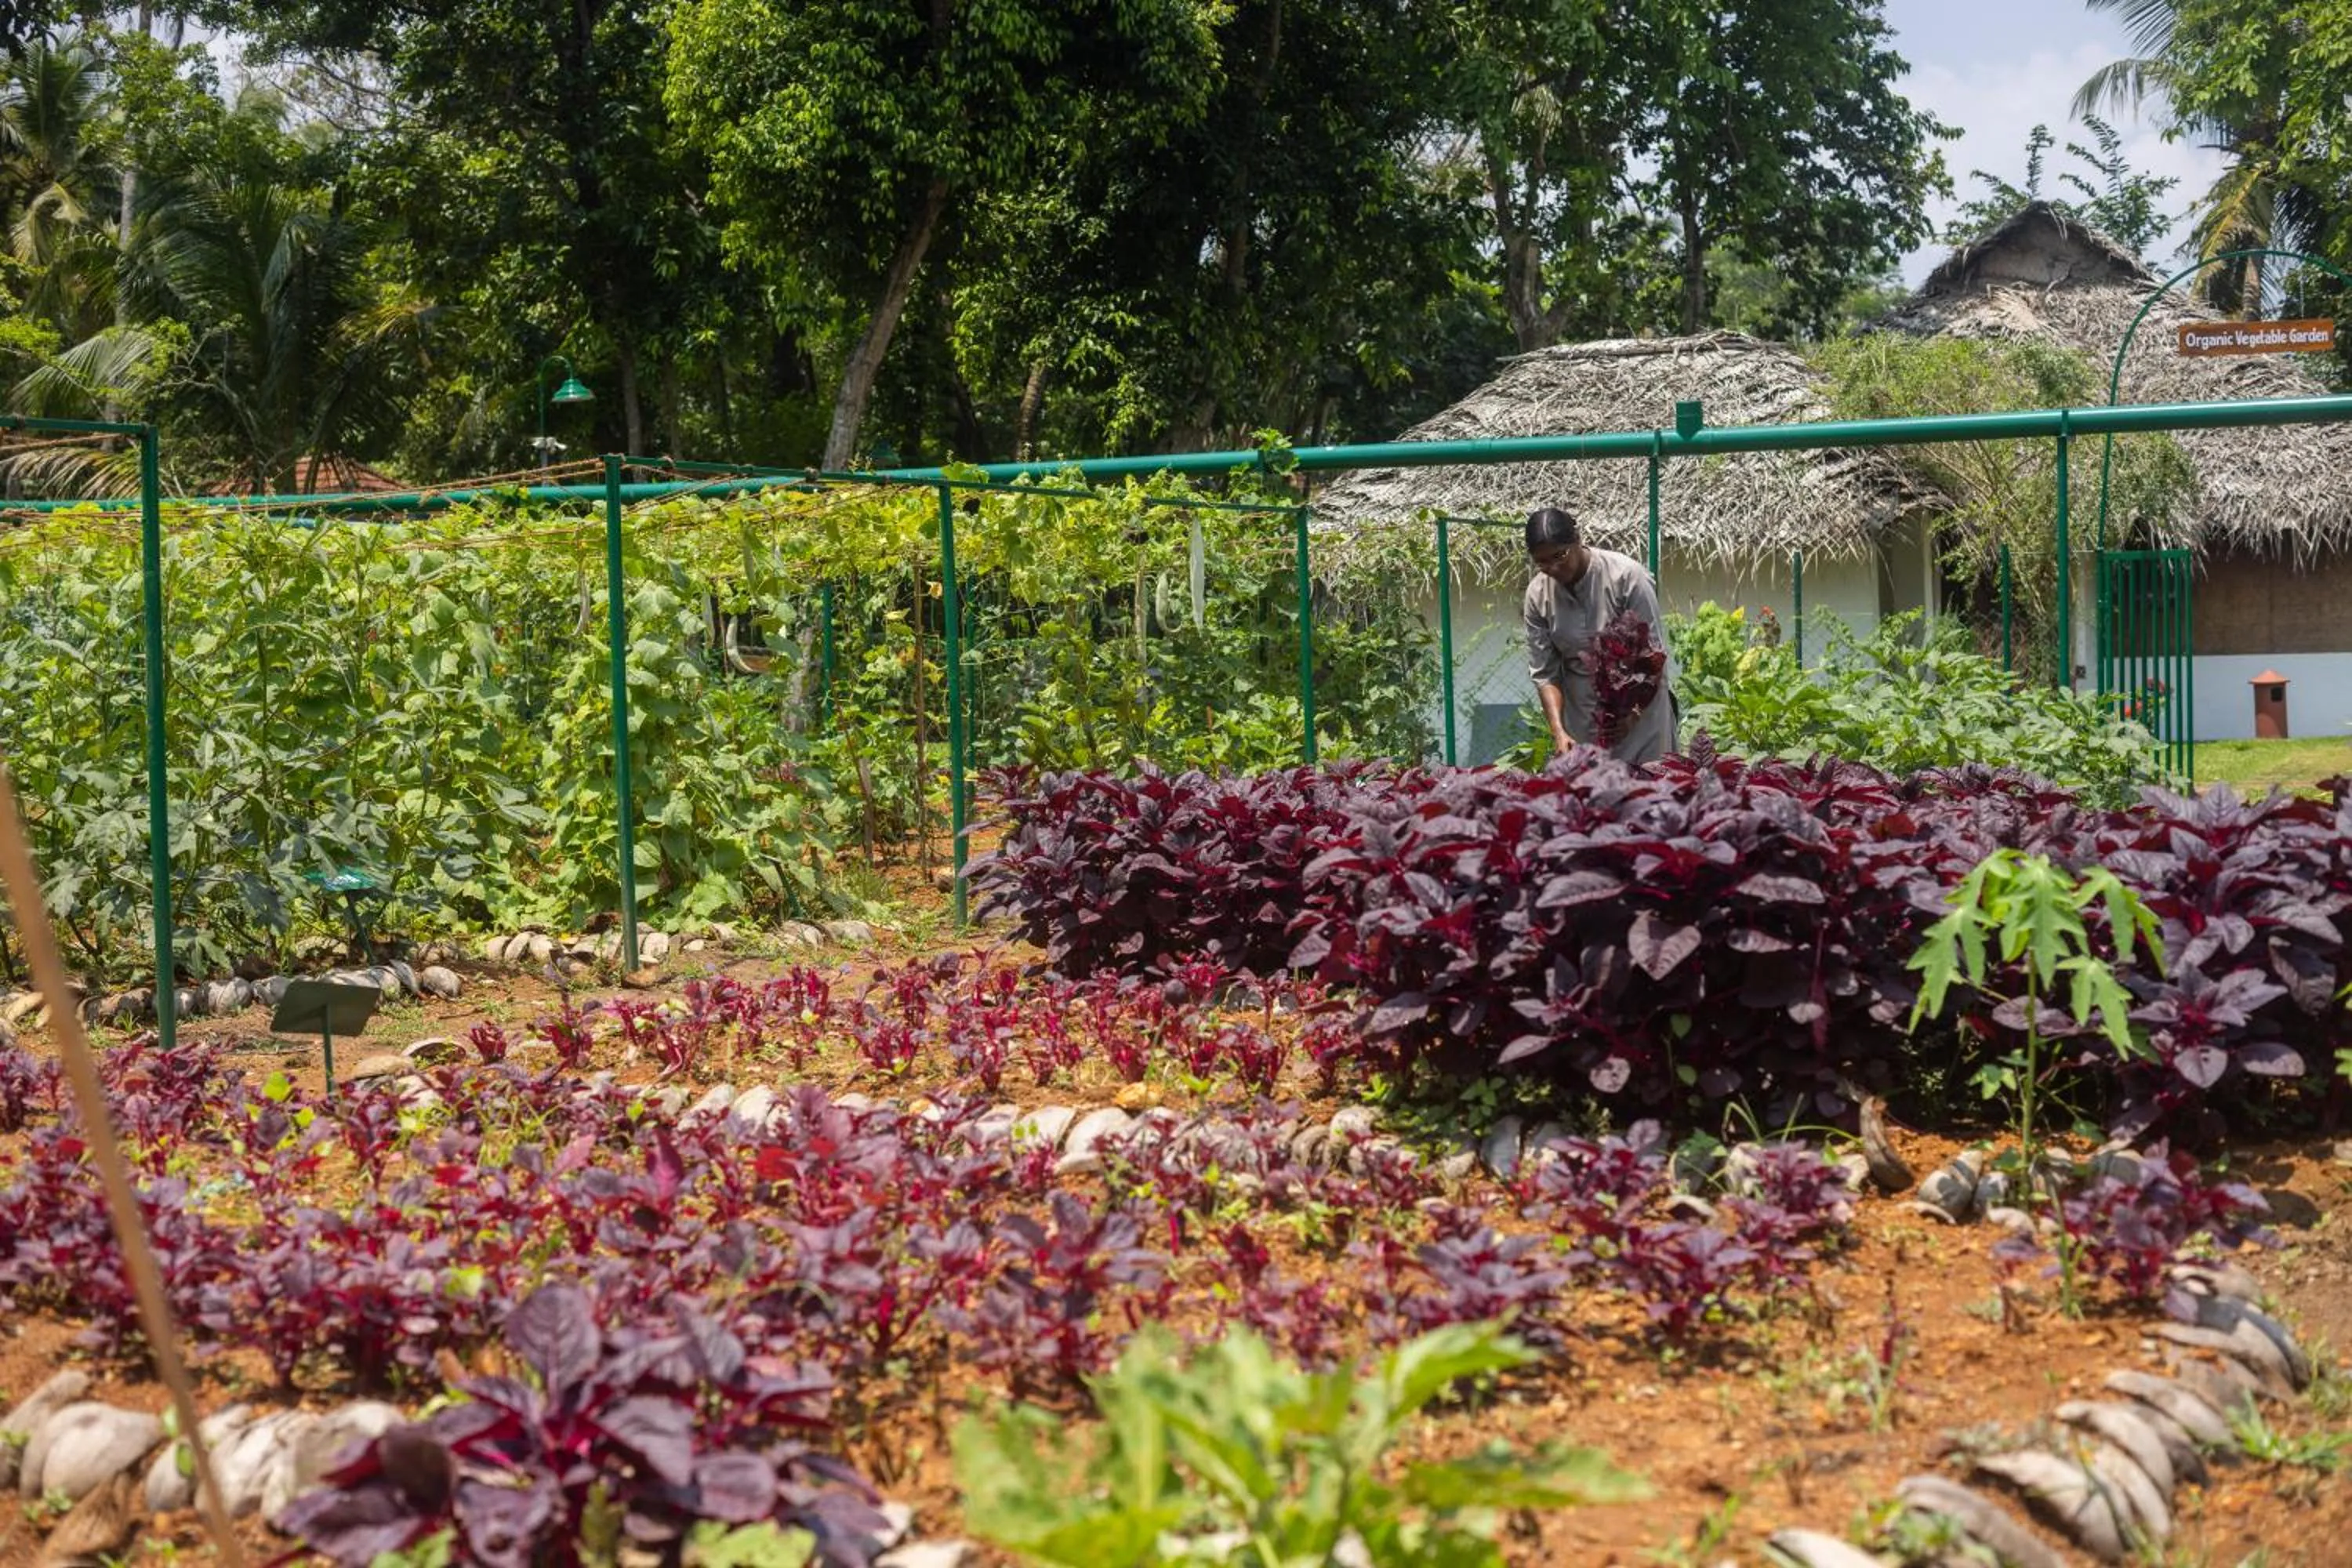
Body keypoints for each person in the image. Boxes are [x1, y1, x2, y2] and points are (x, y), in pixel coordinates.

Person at [1523, 505, 1675, 764]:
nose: (1553, 568)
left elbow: (1652, 657)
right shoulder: (1538, 595)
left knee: (1651, 793)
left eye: (1560, 555)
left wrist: (1632, 715)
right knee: (1592, 797)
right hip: (1585, 719)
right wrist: (1559, 731)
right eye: (1542, 561)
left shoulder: (1627, 577)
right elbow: (1545, 673)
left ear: (1578, 540)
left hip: (1643, 715)